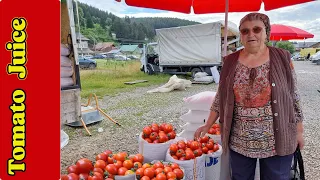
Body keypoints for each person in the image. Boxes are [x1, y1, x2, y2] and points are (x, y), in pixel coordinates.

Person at [194, 12, 305, 180]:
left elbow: (293, 95)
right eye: (245, 31)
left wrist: (299, 132)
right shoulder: (230, 61)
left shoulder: (282, 57)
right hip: (240, 141)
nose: (250, 34)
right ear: (241, 35)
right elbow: (220, 97)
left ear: (266, 32)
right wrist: (207, 125)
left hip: (278, 138)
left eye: (256, 29)